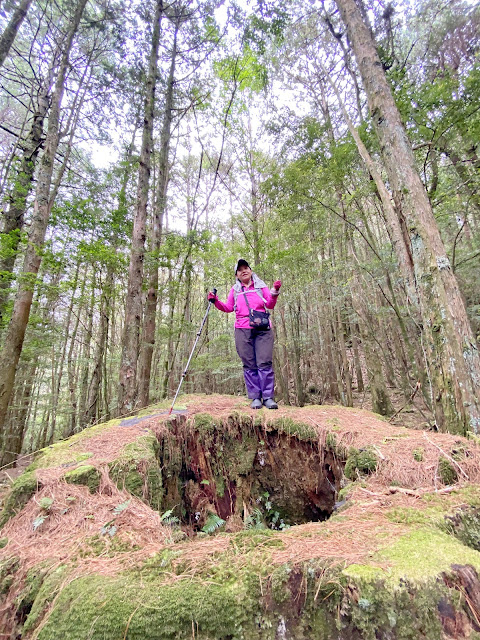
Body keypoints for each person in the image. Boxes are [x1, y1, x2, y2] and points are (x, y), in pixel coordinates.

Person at [208, 259, 282, 409]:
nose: (244, 271)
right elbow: (228, 308)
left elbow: (270, 305)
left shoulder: (261, 287)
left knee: (264, 362)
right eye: (240, 269)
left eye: (246, 268)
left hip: (262, 328)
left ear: (251, 270)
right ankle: (255, 397)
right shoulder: (235, 290)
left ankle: (268, 397)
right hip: (242, 328)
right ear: (237, 275)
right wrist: (215, 301)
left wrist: (274, 293)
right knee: (249, 363)